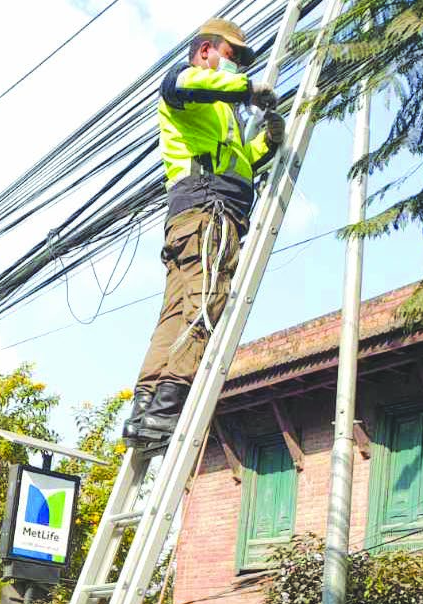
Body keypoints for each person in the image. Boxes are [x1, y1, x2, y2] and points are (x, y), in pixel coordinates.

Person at [122, 18, 283, 450]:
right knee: (203, 306)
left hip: (201, 217)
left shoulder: (222, 116)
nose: (237, 69)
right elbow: (186, 85)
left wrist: (269, 140)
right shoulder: (187, 90)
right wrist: (248, 92)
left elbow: (241, 160)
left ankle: (144, 409)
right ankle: (167, 407)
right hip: (206, 212)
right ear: (205, 52)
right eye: (231, 57)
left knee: (176, 312)